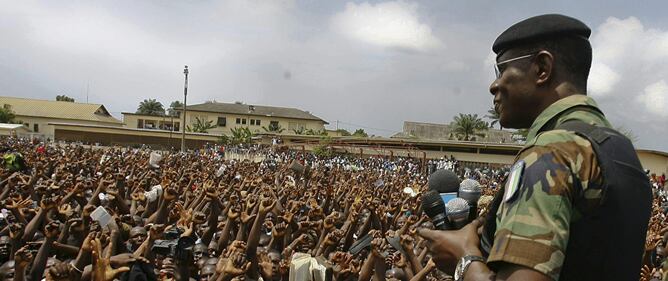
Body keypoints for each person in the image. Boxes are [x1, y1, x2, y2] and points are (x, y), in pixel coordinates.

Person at [418, 14, 652, 281]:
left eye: (501, 70)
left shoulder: (552, 151)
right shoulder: (620, 152)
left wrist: (464, 261)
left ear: (542, 68)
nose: (493, 85)